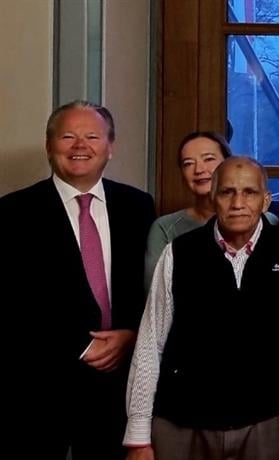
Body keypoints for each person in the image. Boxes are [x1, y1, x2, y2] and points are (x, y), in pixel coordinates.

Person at [124, 158, 279, 459]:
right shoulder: (179, 251)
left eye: (249, 192)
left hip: (271, 419)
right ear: (213, 198)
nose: (238, 203)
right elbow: (150, 343)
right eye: (227, 192)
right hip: (183, 420)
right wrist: (137, 435)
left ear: (265, 201)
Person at [0, 100, 156, 458]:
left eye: (92, 136)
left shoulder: (138, 206)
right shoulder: (13, 213)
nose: (80, 146)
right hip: (40, 385)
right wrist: (80, 345)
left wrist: (131, 335)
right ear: (48, 145)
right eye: (68, 136)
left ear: (110, 147)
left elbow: (150, 287)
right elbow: (11, 301)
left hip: (118, 387)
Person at [143, 131, 277, 288]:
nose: (199, 169)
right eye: (188, 163)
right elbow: (157, 294)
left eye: (208, 159)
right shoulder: (165, 228)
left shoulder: (267, 220)